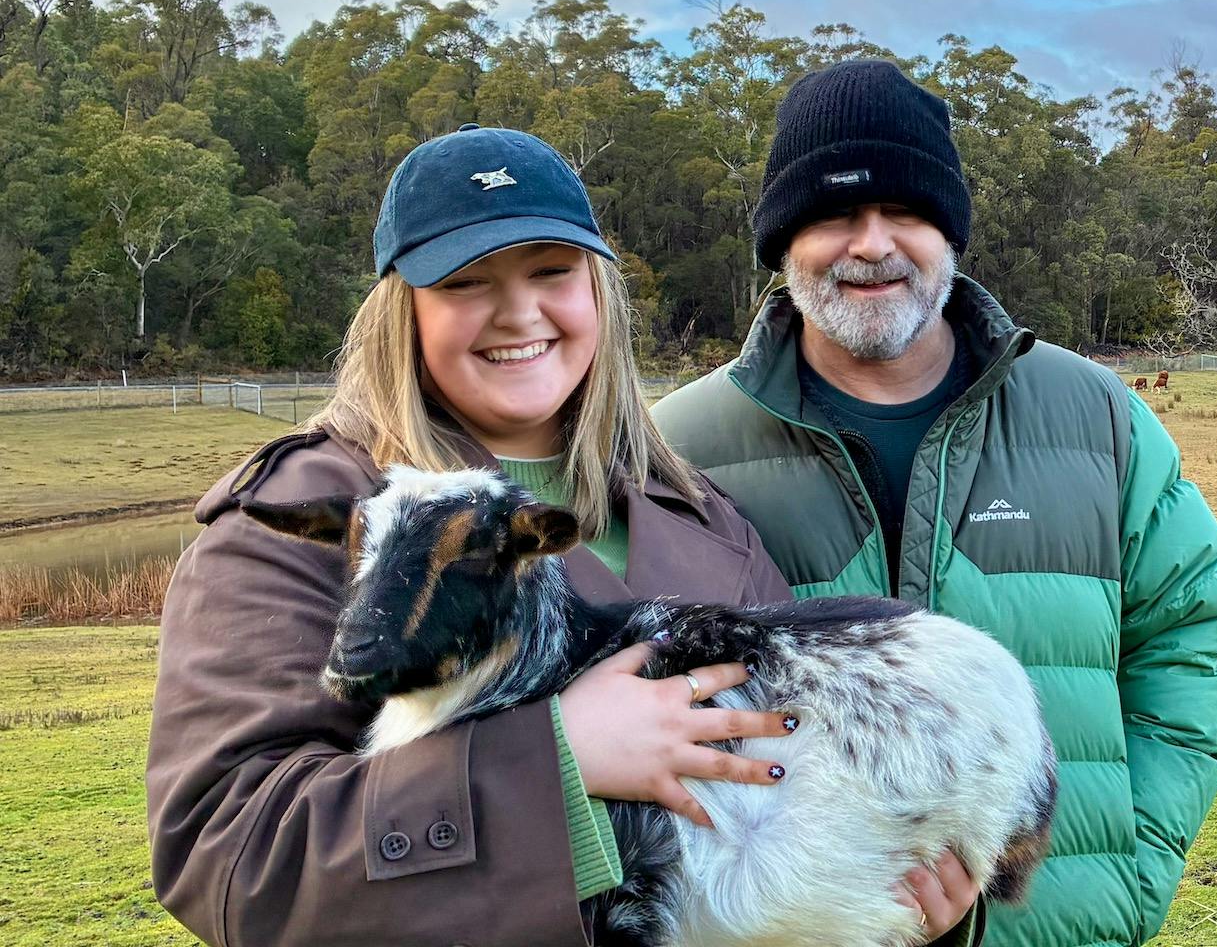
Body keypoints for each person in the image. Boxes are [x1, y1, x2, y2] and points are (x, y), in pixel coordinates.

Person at [145, 124, 978, 946]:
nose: (520, 313)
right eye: (467, 282)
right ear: (403, 307)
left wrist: (885, 891)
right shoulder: (307, 518)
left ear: (597, 294)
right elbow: (231, 856)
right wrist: (559, 762)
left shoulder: (697, 513)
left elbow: (798, 761)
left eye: (553, 271)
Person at [652, 60, 1217, 947]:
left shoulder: (1097, 417)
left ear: (951, 231)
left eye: (906, 211)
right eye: (832, 215)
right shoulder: (677, 448)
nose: (871, 244)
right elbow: (640, 707)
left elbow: (1192, 633)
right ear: (783, 243)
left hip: (1052, 927)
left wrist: (1138, 856)